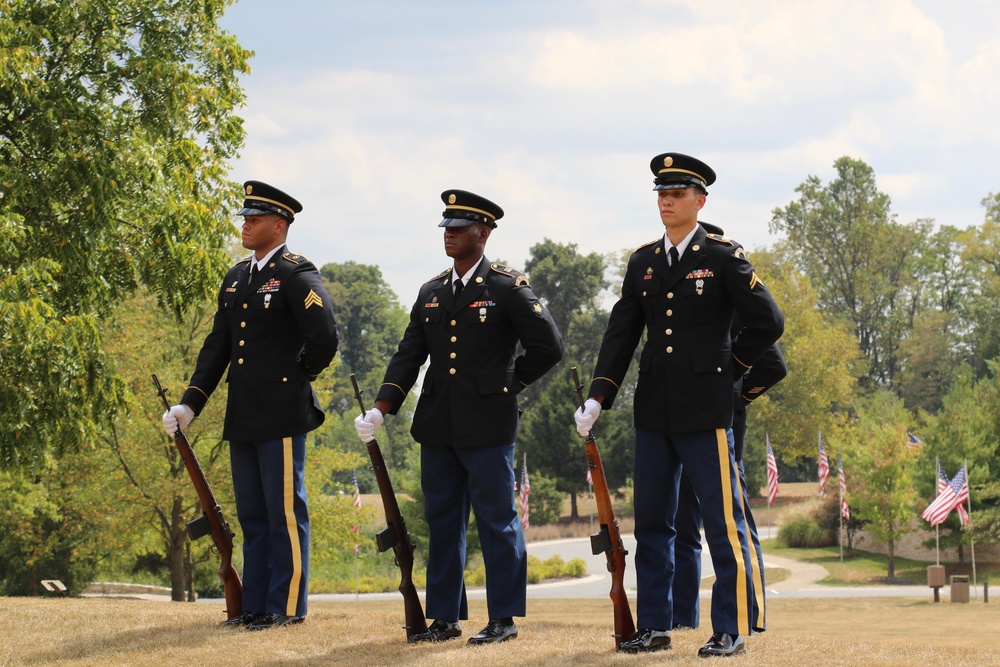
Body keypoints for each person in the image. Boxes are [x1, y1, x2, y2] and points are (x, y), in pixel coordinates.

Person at [574, 153, 783, 657]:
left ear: (700, 200)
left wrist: (729, 368)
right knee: (652, 524)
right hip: (653, 410)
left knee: (721, 524)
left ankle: (729, 629)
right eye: (661, 194)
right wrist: (600, 394)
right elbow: (622, 332)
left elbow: (768, 322)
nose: (667, 201)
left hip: (705, 410)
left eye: (678, 193)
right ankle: (656, 626)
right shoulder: (644, 260)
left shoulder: (722, 256)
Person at [353, 189, 563, 645]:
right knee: (443, 521)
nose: (449, 235)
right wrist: (381, 408)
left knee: (496, 521)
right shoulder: (431, 291)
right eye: (446, 228)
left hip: (488, 425)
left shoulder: (506, 287)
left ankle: (503, 617)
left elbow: (549, 348)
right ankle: (445, 617)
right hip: (439, 425)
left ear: (482, 233)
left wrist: (508, 385)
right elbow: (409, 356)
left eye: (459, 228)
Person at [163, 181, 339, 630]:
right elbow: (218, 345)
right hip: (242, 412)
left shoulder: (297, 273)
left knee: (283, 512)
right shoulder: (237, 276)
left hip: (280, 411)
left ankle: (288, 605)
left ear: (279, 226)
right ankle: (257, 605)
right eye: (245, 217)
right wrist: (190, 404)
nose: (246, 224)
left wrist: (299, 378)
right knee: (252, 514)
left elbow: (323, 338)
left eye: (255, 219)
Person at [671, 304, 787, 632]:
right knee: (682, 529)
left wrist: (735, 395)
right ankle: (680, 619)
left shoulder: (733, 309)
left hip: (723, 429)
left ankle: (750, 616)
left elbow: (774, 367)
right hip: (678, 423)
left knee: (735, 528)